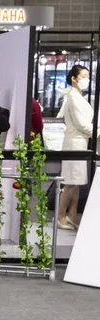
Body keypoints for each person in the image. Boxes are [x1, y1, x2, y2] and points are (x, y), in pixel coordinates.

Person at [57, 65, 97, 230]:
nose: (86, 79)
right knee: (69, 183)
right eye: (83, 76)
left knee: (77, 182)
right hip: (74, 142)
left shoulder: (79, 96)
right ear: (73, 78)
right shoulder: (73, 97)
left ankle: (72, 215)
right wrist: (96, 132)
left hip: (81, 142)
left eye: (88, 76)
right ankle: (60, 216)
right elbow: (81, 124)